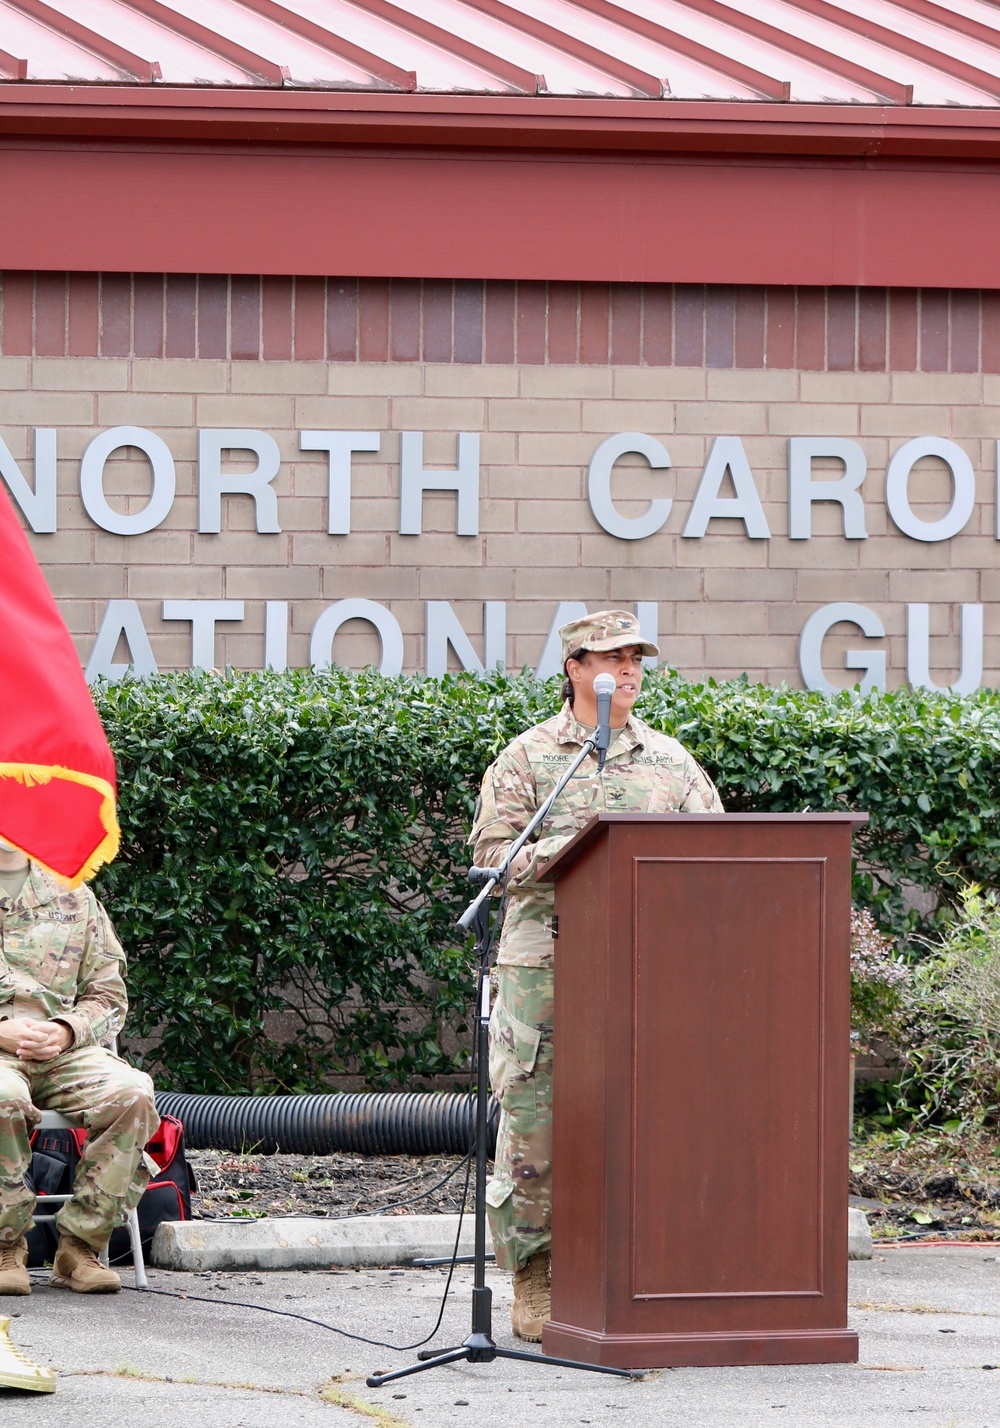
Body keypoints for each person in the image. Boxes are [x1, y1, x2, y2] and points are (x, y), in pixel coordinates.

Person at [469, 610, 723, 1342]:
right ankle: (535, 1277)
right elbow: (493, 858)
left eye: (637, 657)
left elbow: (715, 854)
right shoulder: (528, 758)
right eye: (614, 656)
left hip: (648, 969)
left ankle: (649, 1267)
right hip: (543, 968)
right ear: (577, 667)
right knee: (534, 1124)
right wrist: (575, 848)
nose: (631, 669)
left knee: (650, 1117)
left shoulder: (673, 764)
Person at [0, 838, 159, 1295]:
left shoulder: (72, 892)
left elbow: (108, 994)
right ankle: (5, 1245)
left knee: (132, 1094)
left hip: (64, 1052)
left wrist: (67, 1029)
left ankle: (80, 1246)